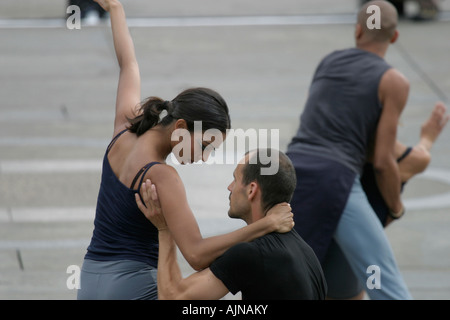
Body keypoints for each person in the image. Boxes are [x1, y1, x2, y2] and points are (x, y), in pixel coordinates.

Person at [77, 0, 294, 300]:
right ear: (180, 126)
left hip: (89, 281)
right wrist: (267, 224)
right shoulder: (163, 177)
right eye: (204, 145)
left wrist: (115, 8)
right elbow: (196, 254)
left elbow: (129, 64)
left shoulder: (123, 128)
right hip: (133, 288)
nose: (203, 157)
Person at [286, 0, 420, 300]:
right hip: (336, 178)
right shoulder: (394, 80)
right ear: (394, 37)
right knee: (383, 282)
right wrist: (395, 208)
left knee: (290, 281)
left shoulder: (328, 61)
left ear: (358, 30)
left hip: (291, 172)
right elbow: (383, 161)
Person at [136, 149, 327, 300]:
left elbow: (172, 297)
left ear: (252, 190)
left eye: (235, 179)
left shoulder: (252, 254)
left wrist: (164, 229)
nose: (230, 187)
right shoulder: (308, 254)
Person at [323, 102, 449, 300]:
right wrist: (427, 138)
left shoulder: (335, 151)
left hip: (322, 239)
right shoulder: (406, 160)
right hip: (353, 250)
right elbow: (421, 153)